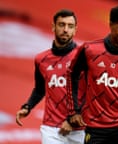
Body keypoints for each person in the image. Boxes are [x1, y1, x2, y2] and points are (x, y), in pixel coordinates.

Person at [67, 5, 118, 144]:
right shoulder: (90, 50)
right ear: (111, 25)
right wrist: (73, 111)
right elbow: (72, 75)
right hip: (94, 128)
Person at [15, 9, 85, 144]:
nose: (65, 30)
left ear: (75, 30)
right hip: (51, 128)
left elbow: (93, 94)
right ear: (53, 27)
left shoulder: (84, 57)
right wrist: (27, 107)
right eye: (61, 25)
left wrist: (72, 120)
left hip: (80, 129)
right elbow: (40, 89)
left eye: (70, 26)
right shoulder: (41, 59)